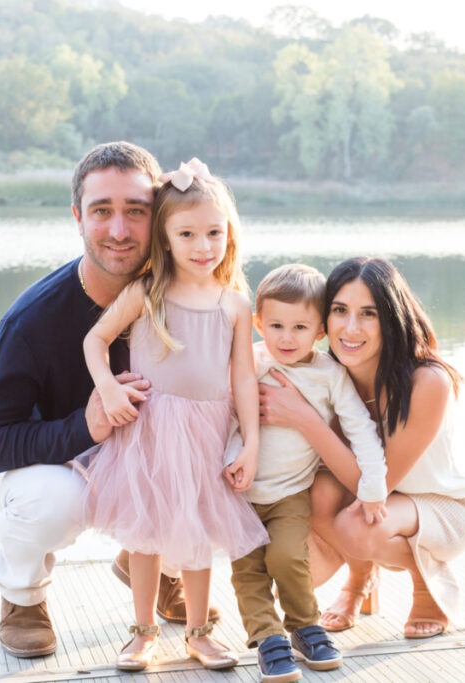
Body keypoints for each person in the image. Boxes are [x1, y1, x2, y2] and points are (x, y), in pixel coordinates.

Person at [0, 141, 216, 659]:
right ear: (78, 217)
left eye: (137, 212)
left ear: (159, 218)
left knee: (228, 454)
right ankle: (23, 595)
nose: (119, 230)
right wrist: (85, 427)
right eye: (102, 211)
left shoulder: (187, 296)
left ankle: (153, 561)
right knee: (56, 501)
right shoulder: (31, 320)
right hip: (57, 466)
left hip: (146, 457)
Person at [81, 158, 269, 672]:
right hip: (151, 430)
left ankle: (199, 633)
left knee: (198, 531)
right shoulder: (147, 294)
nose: (203, 246)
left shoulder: (233, 303)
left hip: (208, 430)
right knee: (146, 531)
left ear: (229, 235)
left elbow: (244, 378)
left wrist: (249, 443)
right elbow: (95, 341)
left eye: (214, 233)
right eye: (187, 234)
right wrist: (108, 391)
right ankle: (142, 633)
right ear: (164, 239)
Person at [258, 257, 465, 640]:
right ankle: (360, 580)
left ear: (391, 318)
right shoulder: (326, 372)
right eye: (339, 311)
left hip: (440, 504)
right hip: (378, 503)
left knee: (354, 526)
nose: (350, 328)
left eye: (368, 314)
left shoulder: (427, 381)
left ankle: (425, 585)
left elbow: (376, 484)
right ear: (321, 321)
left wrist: (306, 418)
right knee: (315, 495)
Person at [224, 263, 388, 682]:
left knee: (287, 558)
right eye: (275, 325)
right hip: (238, 494)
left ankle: (304, 626)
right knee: (248, 572)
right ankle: (268, 639)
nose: (285, 337)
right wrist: (230, 458)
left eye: (299, 327)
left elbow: (360, 429)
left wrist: (373, 486)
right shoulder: (249, 362)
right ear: (257, 323)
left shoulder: (329, 375)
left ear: (320, 332)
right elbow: (225, 418)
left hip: (289, 494)